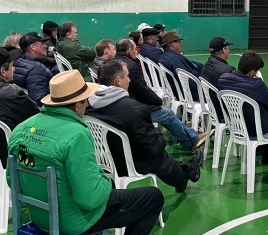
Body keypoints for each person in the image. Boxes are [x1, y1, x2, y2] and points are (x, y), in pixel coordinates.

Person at [8, 70, 164, 235]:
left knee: (97, 195)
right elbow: (89, 198)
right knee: (152, 198)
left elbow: (13, 182)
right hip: (71, 221)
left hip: (40, 216)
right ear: (77, 104)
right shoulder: (76, 134)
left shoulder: (22, 128)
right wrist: (105, 181)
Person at [87, 60, 203, 193]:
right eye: (127, 76)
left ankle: (187, 168)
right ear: (118, 80)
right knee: (157, 152)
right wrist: (160, 139)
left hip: (106, 160)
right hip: (130, 163)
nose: (130, 80)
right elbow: (152, 148)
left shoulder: (90, 105)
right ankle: (183, 177)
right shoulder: (133, 109)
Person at [115, 40, 204, 151]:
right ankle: (190, 142)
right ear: (129, 50)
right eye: (134, 49)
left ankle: (191, 134)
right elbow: (143, 89)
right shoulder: (131, 67)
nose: (136, 52)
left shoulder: (114, 62)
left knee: (165, 111)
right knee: (167, 113)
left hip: (127, 105)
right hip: (133, 109)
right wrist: (157, 101)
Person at [200, 36, 235, 123]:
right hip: (224, 114)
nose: (229, 50)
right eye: (227, 48)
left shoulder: (206, 64)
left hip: (213, 109)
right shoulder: (228, 70)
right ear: (223, 50)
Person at [12, 32, 53, 105]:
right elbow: (39, 101)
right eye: (42, 43)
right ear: (33, 47)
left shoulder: (17, 61)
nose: (46, 45)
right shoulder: (37, 69)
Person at [160, 31, 203, 100]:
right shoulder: (174, 59)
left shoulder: (165, 56)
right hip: (191, 94)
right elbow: (188, 81)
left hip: (179, 91)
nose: (181, 45)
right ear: (173, 44)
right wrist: (202, 86)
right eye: (179, 42)